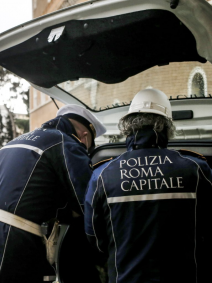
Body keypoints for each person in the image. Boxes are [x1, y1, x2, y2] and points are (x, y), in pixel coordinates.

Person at [0, 104, 106, 283]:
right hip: (12, 244)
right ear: (84, 137)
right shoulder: (65, 141)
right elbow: (87, 201)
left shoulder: (16, 141)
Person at [85, 88, 212, 283]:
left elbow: (94, 236)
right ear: (167, 126)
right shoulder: (196, 168)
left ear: (127, 127)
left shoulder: (102, 175)